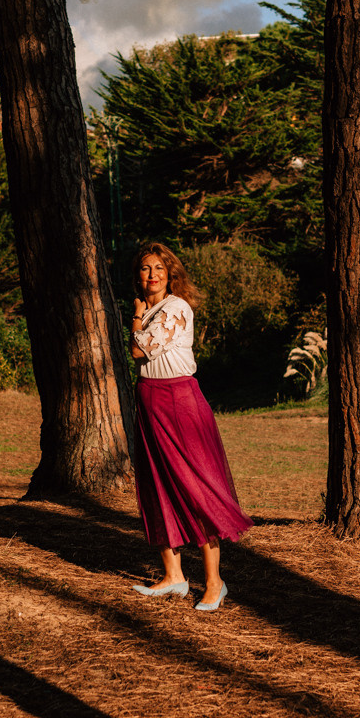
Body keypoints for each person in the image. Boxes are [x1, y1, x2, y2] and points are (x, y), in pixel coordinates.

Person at [130, 241, 252, 610]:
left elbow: (140, 349)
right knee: (158, 484)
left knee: (194, 486)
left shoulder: (176, 307)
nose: (152, 275)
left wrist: (135, 317)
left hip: (179, 402)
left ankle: (214, 583)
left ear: (171, 275)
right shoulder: (150, 309)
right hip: (149, 400)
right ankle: (174, 577)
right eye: (146, 268)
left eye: (159, 269)